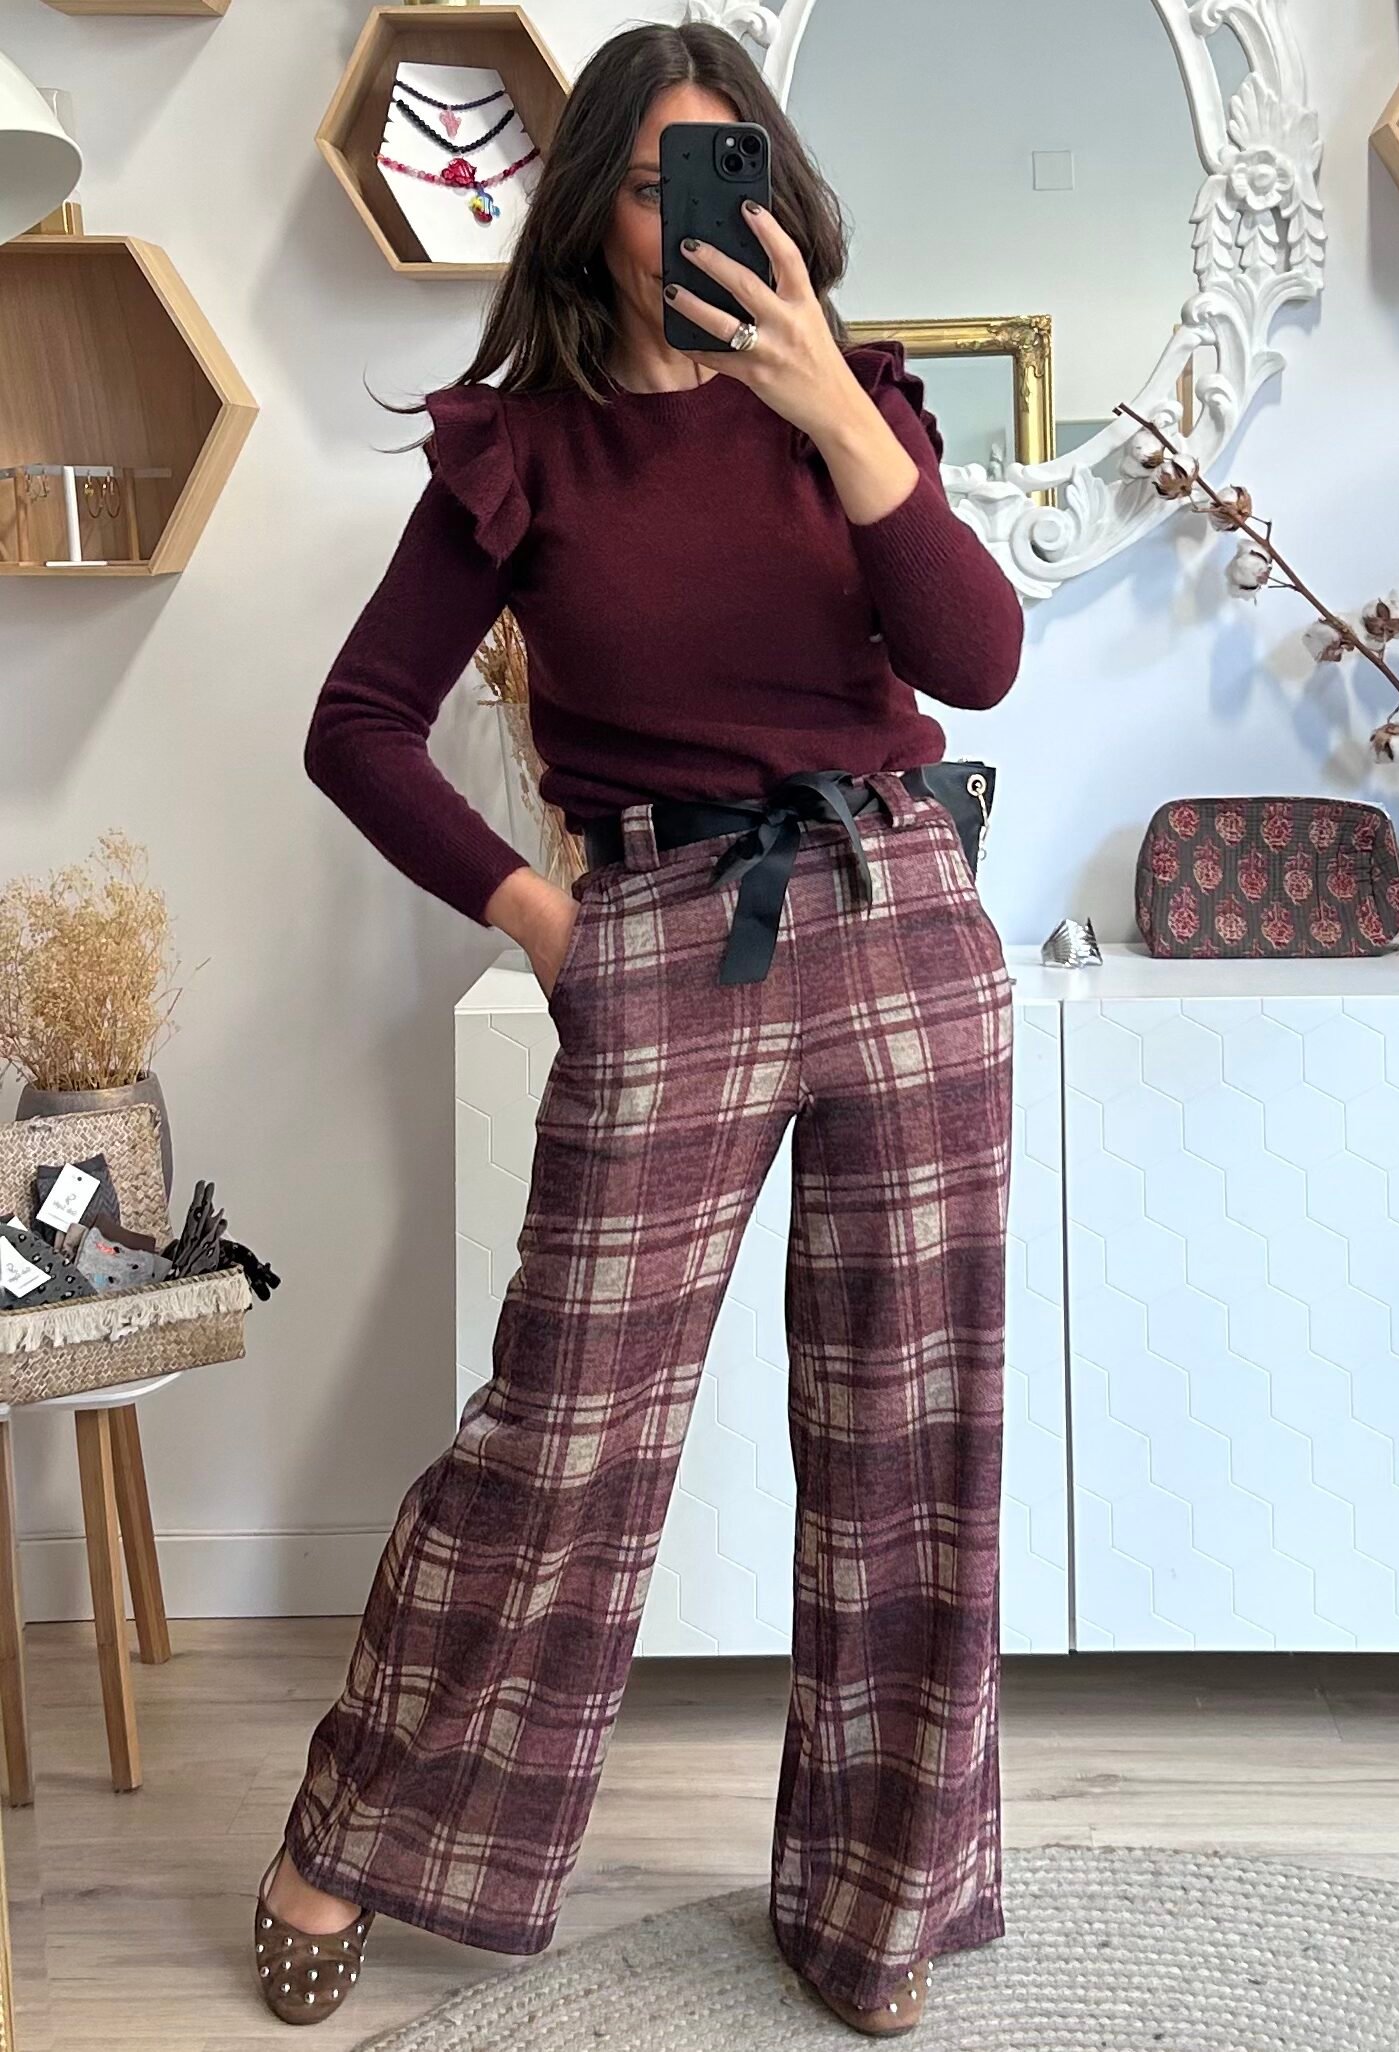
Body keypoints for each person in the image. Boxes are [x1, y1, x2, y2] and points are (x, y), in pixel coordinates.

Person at [253, 19, 1022, 2039]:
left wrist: (832, 412)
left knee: (911, 1436)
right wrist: (544, 922)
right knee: (561, 1434)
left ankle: (872, 1909)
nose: (704, 209)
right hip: (669, 939)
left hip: (903, 917)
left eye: (732, 164)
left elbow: (975, 659)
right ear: (594, 207)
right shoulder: (522, 445)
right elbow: (357, 724)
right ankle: (347, 1834)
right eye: (667, 174)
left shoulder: (854, 402)